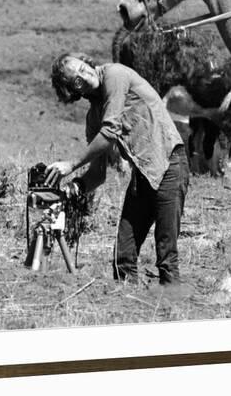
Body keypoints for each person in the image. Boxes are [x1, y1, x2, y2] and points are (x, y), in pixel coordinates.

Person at [45, 53, 189, 285]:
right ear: (73, 89)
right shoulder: (94, 116)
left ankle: (172, 307)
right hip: (143, 174)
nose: (85, 74)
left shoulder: (115, 74)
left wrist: (71, 165)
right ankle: (128, 306)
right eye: (77, 78)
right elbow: (97, 173)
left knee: (166, 256)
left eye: (83, 67)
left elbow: (110, 130)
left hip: (169, 163)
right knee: (123, 258)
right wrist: (76, 186)